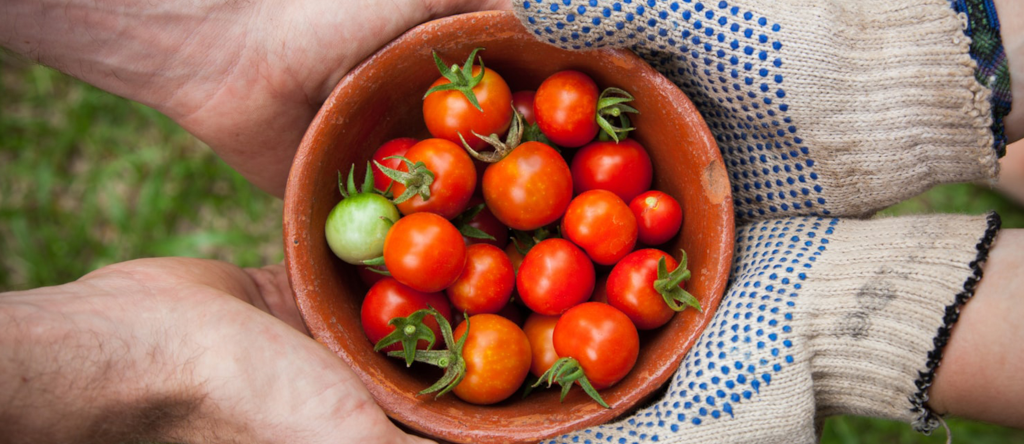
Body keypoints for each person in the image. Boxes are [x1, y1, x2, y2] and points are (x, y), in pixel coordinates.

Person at [0, 0, 1021, 443]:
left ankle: (969, 95)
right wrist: (146, 375)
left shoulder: (473, 197)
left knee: (937, 91)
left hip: (576, 264)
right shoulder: (471, 242)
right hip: (571, 280)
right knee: (948, 112)